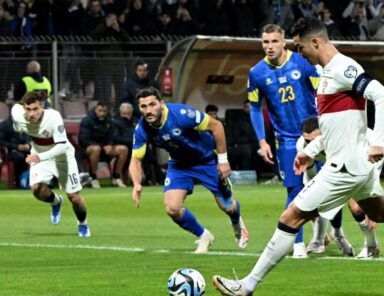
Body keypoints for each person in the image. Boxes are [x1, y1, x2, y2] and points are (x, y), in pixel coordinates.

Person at [212, 17, 384, 296]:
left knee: (290, 217)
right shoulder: (327, 71)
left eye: (300, 46)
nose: (299, 52)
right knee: (383, 213)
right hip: (355, 165)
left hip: (344, 167)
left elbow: (383, 96)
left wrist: (378, 140)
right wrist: (311, 150)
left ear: (315, 42)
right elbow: (335, 125)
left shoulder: (343, 67)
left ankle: (247, 286)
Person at [129, 87, 248, 253]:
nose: (148, 110)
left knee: (228, 206)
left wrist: (223, 161)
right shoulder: (142, 129)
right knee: (172, 208)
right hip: (180, 164)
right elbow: (135, 160)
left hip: (206, 160)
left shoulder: (182, 114)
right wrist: (136, 184)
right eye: (143, 107)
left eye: (152, 104)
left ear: (161, 104)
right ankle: (204, 236)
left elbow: (217, 126)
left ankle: (237, 223)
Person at [247, 24, 320, 258]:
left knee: (330, 186)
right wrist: (262, 140)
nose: (269, 46)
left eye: (274, 41)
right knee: (294, 189)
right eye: (265, 42)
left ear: (284, 42)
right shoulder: (257, 73)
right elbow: (256, 109)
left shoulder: (303, 62)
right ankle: (297, 245)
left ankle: (332, 234)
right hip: (286, 139)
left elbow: (322, 93)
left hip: (315, 136)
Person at [298, 117, 384, 259]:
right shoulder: (303, 147)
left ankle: (378, 241)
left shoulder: (345, 140)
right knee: (358, 207)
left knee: (362, 207)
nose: (311, 145)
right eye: (307, 141)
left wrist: (370, 208)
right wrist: (312, 203)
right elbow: (311, 176)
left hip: (369, 151)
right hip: (340, 162)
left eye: (315, 140)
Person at [11, 92, 91, 237]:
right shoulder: (17, 113)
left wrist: (39, 157)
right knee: (37, 190)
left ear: (42, 106)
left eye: (35, 109)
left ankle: (83, 224)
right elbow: (16, 120)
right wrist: (17, 127)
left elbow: (61, 146)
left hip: (62, 157)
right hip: (40, 156)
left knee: (74, 197)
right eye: (28, 110)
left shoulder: (53, 117)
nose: (31, 114)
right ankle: (55, 202)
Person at [79, 102, 129, 188]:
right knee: (96, 149)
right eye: (100, 110)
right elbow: (84, 139)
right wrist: (102, 146)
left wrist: (110, 145)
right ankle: (93, 177)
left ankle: (116, 177)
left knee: (123, 149)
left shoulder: (109, 120)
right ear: (95, 110)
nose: (102, 113)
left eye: (104, 111)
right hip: (89, 148)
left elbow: (112, 135)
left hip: (105, 148)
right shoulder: (87, 120)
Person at [0, 114, 32, 188]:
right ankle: (17, 180)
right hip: (10, 151)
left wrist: (28, 144)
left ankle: (41, 181)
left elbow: (29, 136)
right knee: (19, 157)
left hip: (25, 150)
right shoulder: (4, 125)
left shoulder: (25, 124)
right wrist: (16, 146)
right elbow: (1, 141)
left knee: (37, 155)